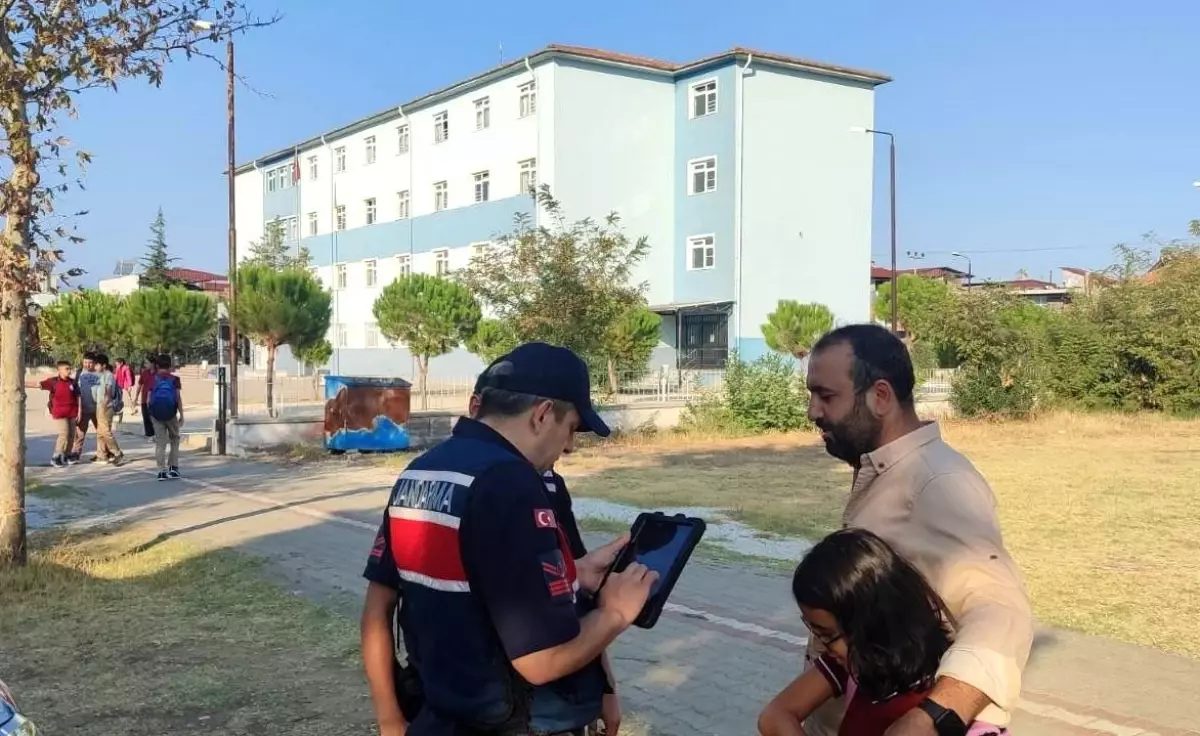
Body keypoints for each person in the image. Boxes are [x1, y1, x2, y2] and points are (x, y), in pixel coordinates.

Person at [360, 343, 656, 736]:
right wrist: (614, 614)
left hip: (437, 715)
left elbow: (382, 608)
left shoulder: (421, 471)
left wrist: (390, 720)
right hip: (511, 722)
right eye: (571, 428)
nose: (569, 446)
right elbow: (541, 661)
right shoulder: (511, 484)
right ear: (542, 414)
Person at [801, 325, 1032, 736]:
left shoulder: (936, 481)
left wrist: (932, 718)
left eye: (826, 396)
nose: (813, 411)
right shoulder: (884, 471)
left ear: (880, 396)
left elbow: (1001, 611)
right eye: (811, 395)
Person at [759, 529, 1005, 736]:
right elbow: (775, 716)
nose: (822, 646)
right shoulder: (859, 668)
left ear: (870, 625)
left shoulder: (946, 696)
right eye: (814, 631)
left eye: (827, 635)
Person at [28, 360, 80, 468]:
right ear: (59, 370)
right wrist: (20, 383)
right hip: (59, 413)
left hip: (72, 412)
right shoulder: (53, 381)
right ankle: (56, 456)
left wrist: (80, 411)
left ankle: (67, 455)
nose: (69, 371)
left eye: (70, 368)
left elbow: (78, 397)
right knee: (64, 434)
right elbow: (38, 384)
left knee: (72, 435)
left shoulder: (72, 382)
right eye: (66, 369)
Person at [146, 353, 184, 481]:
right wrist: (181, 415)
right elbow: (178, 398)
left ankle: (161, 471)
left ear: (157, 365)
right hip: (171, 414)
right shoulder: (175, 379)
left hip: (156, 415)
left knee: (160, 443)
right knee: (175, 439)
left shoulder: (152, 379)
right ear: (170, 365)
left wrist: (151, 413)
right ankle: (173, 468)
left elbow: (148, 399)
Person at [91, 354, 125, 466]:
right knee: (100, 432)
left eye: (97, 364)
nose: (95, 367)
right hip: (99, 405)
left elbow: (108, 393)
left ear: (104, 365)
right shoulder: (99, 375)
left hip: (106, 406)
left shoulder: (108, 375)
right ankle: (101, 455)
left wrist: (104, 406)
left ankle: (117, 452)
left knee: (106, 432)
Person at [70, 352, 101, 462]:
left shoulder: (100, 373)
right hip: (83, 409)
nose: (87, 365)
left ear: (94, 363)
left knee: (101, 432)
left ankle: (102, 453)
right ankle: (75, 454)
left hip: (98, 409)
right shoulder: (79, 373)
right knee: (80, 433)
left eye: (90, 363)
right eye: (85, 362)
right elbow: (73, 390)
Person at [135, 355, 156, 439]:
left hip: (155, 399)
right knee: (146, 417)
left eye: (147, 363)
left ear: (153, 363)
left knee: (154, 418)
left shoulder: (158, 373)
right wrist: (136, 397)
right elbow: (139, 385)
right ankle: (149, 434)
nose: (145, 365)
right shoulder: (144, 373)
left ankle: (157, 433)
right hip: (144, 399)